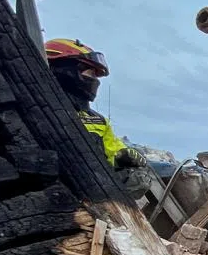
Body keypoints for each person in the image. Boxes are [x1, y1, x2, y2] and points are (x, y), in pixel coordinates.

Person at [44, 38, 151, 198]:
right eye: (90, 72)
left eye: (96, 75)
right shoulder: (36, 110)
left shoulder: (98, 121)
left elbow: (113, 151)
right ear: (64, 69)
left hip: (90, 201)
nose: (94, 80)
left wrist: (127, 158)